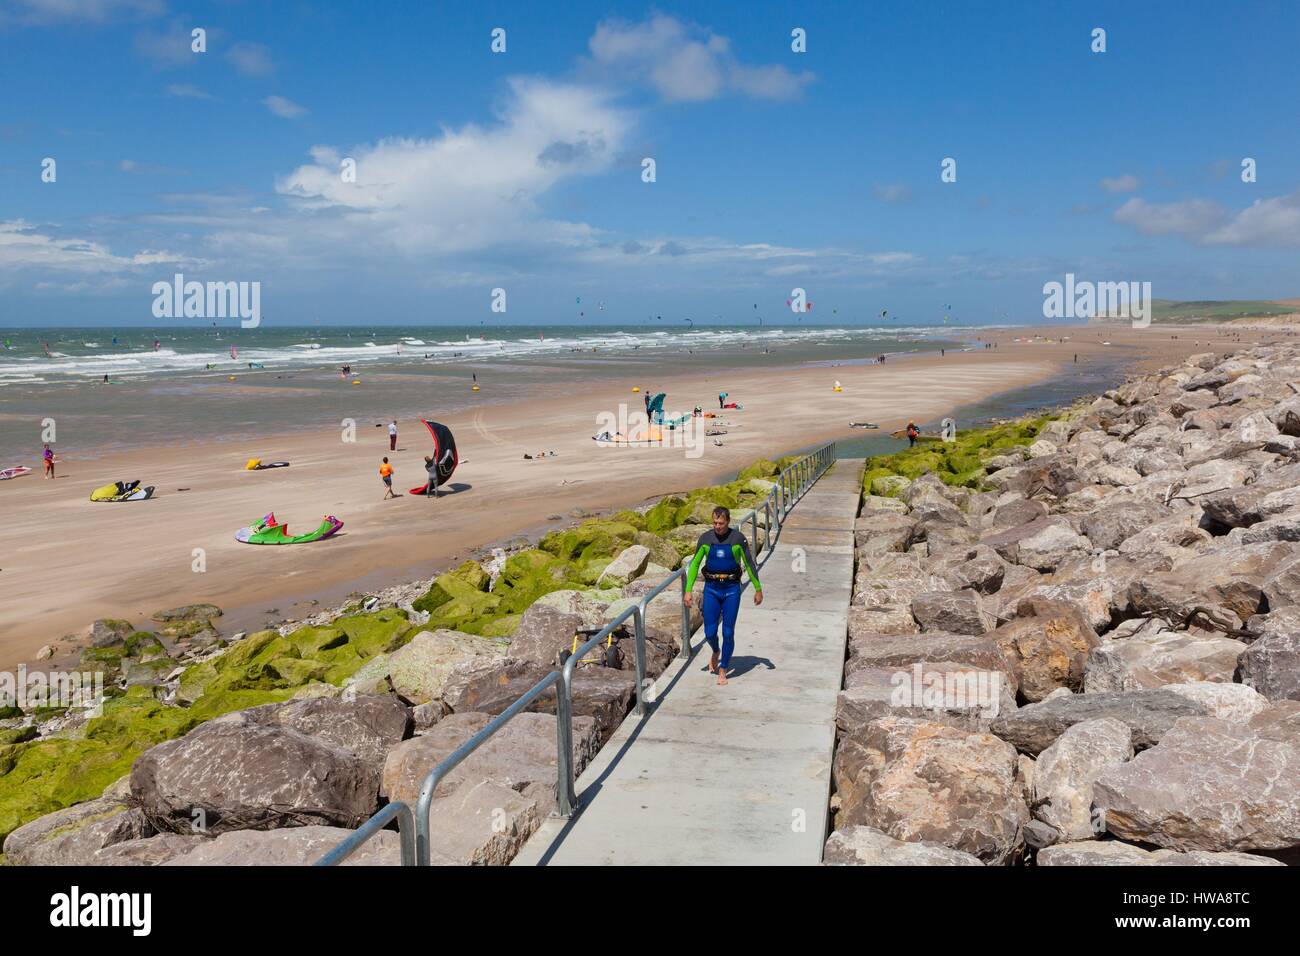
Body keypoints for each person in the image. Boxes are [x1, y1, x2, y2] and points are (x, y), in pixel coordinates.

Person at [683, 506, 762, 686]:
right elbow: (695, 565)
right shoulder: (705, 539)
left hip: (731, 590)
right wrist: (688, 590)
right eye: (715, 523)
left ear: (728, 521)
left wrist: (758, 588)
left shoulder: (737, 539)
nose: (717, 526)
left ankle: (723, 669)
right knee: (709, 632)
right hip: (711, 589)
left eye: (721, 523)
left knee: (728, 632)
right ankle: (715, 651)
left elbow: (749, 563)